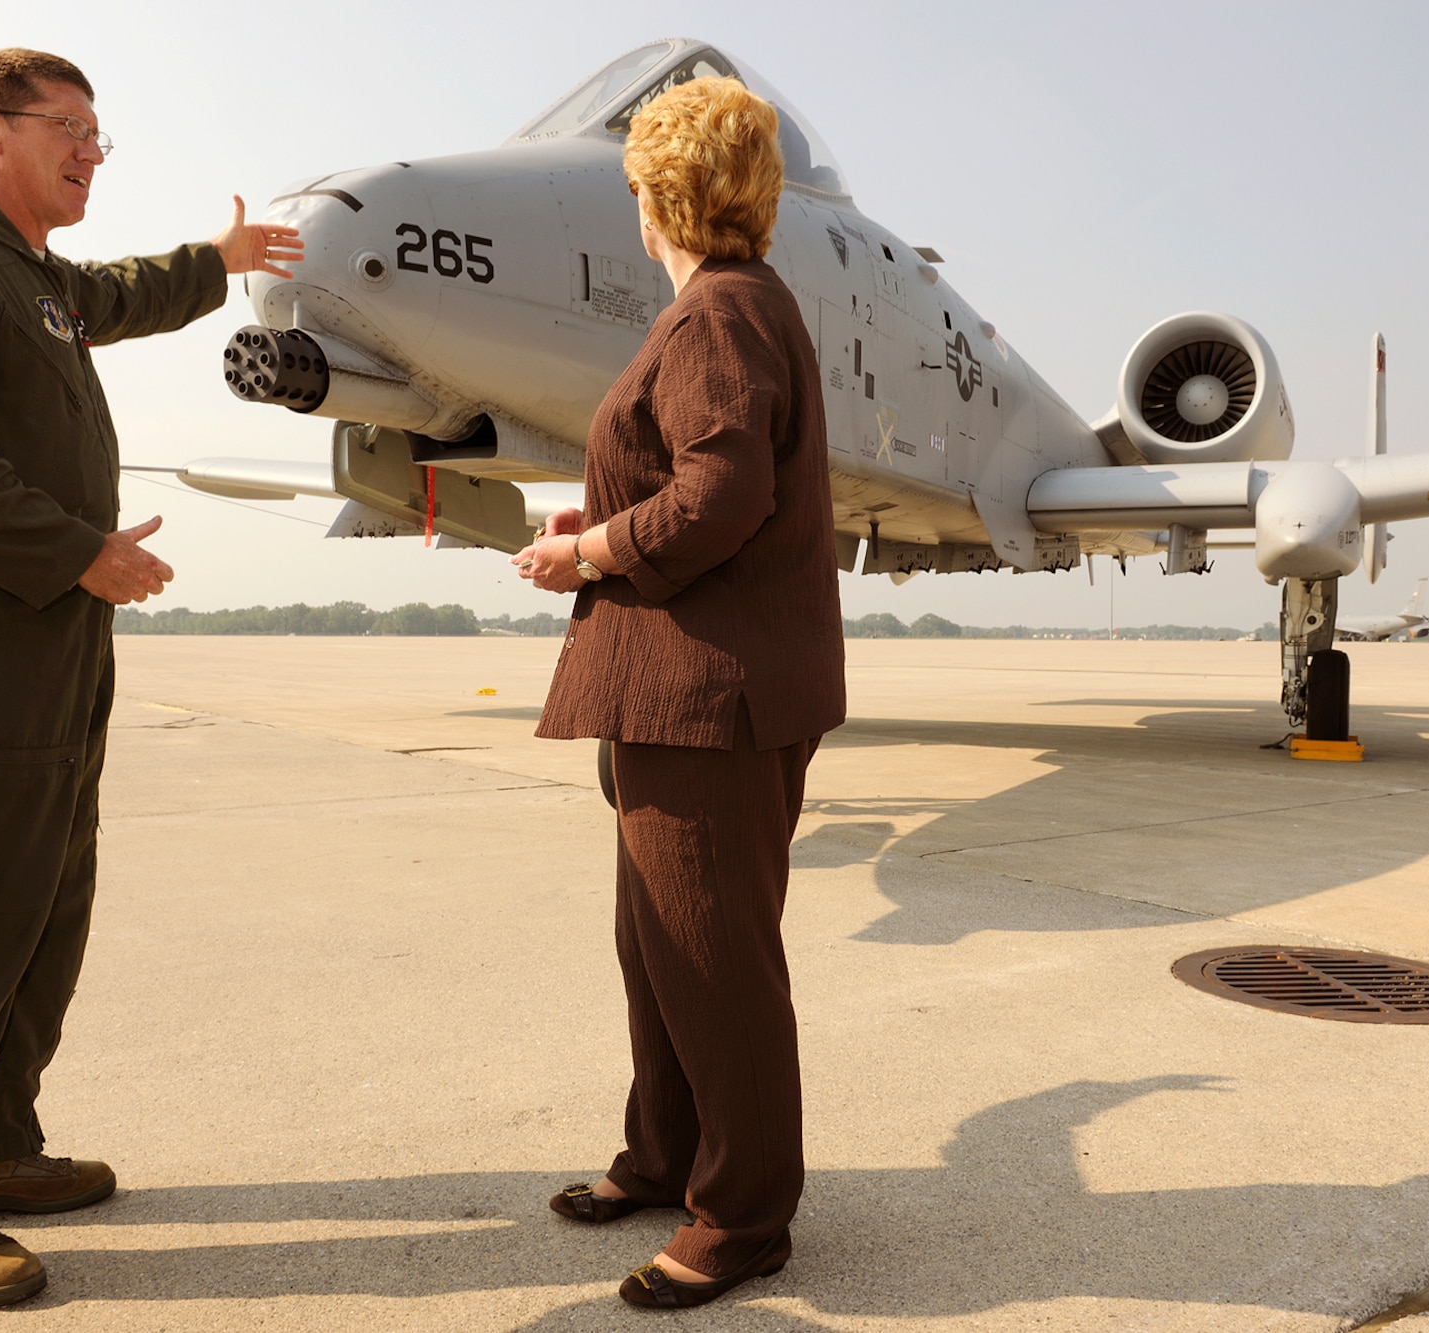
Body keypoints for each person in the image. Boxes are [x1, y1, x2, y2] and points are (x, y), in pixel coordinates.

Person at [0, 48, 301, 1309]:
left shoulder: (35, 278)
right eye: (73, 129)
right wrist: (77, 553)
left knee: (44, 901)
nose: (95, 151)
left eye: (103, 134)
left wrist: (218, 265)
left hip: (52, 637)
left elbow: (107, 296)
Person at [512, 76, 845, 1310]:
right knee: (655, 946)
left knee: (712, 957)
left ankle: (745, 1213)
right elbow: (699, 483)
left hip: (710, 697)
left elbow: (721, 496)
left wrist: (587, 553)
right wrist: (597, 516)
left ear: (658, 196)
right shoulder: (736, 309)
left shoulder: (714, 315)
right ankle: (664, 1155)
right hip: (675, 691)